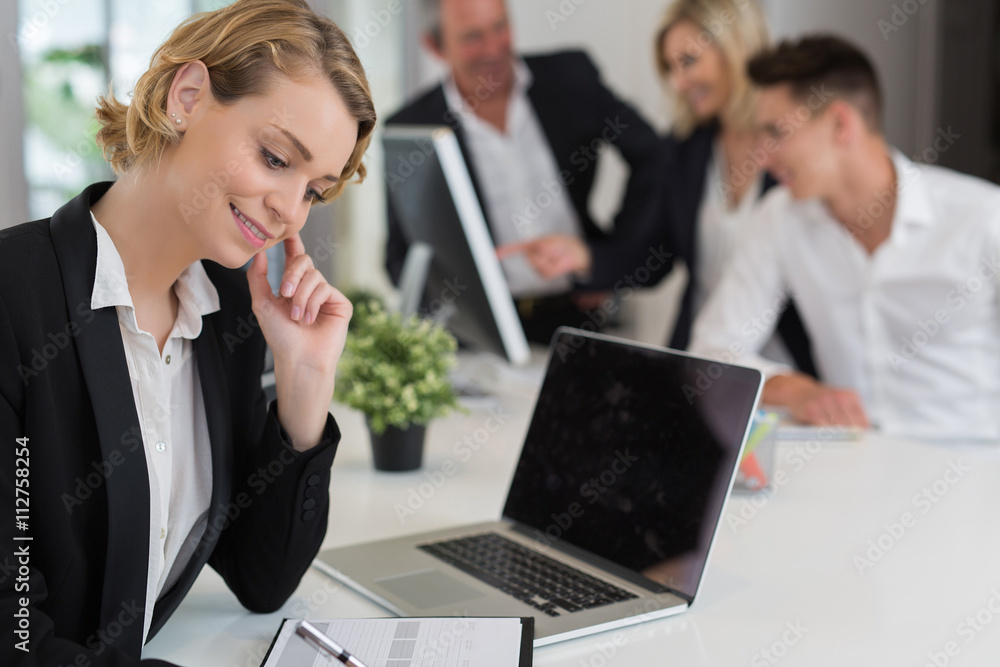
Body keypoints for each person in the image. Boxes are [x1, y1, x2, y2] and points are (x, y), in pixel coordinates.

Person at [0, 1, 376, 664]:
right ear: (189, 96)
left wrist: (306, 380)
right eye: (275, 158)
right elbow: (15, 634)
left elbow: (262, 578)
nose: (291, 211)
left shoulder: (228, 311)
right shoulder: (12, 296)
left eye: (315, 190)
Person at [689, 35, 1000, 439]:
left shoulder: (982, 217)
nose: (761, 156)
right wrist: (794, 391)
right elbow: (711, 353)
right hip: (854, 470)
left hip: (974, 479)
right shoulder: (781, 217)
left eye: (777, 132)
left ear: (841, 124)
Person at [498, 0, 816, 373]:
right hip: (704, 368)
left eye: (688, 61)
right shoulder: (686, 150)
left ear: (734, 45)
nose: (678, 83)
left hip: (791, 376)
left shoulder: (796, 150)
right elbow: (652, 258)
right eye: (670, 68)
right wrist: (582, 258)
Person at [383, 0, 659, 343]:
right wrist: (460, 299)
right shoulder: (412, 128)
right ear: (435, 46)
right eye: (473, 37)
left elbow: (653, 154)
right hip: (478, 335)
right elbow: (400, 258)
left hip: (574, 318)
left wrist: (606, 262)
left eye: (500, 27)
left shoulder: (569, 79)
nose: (494, 48)